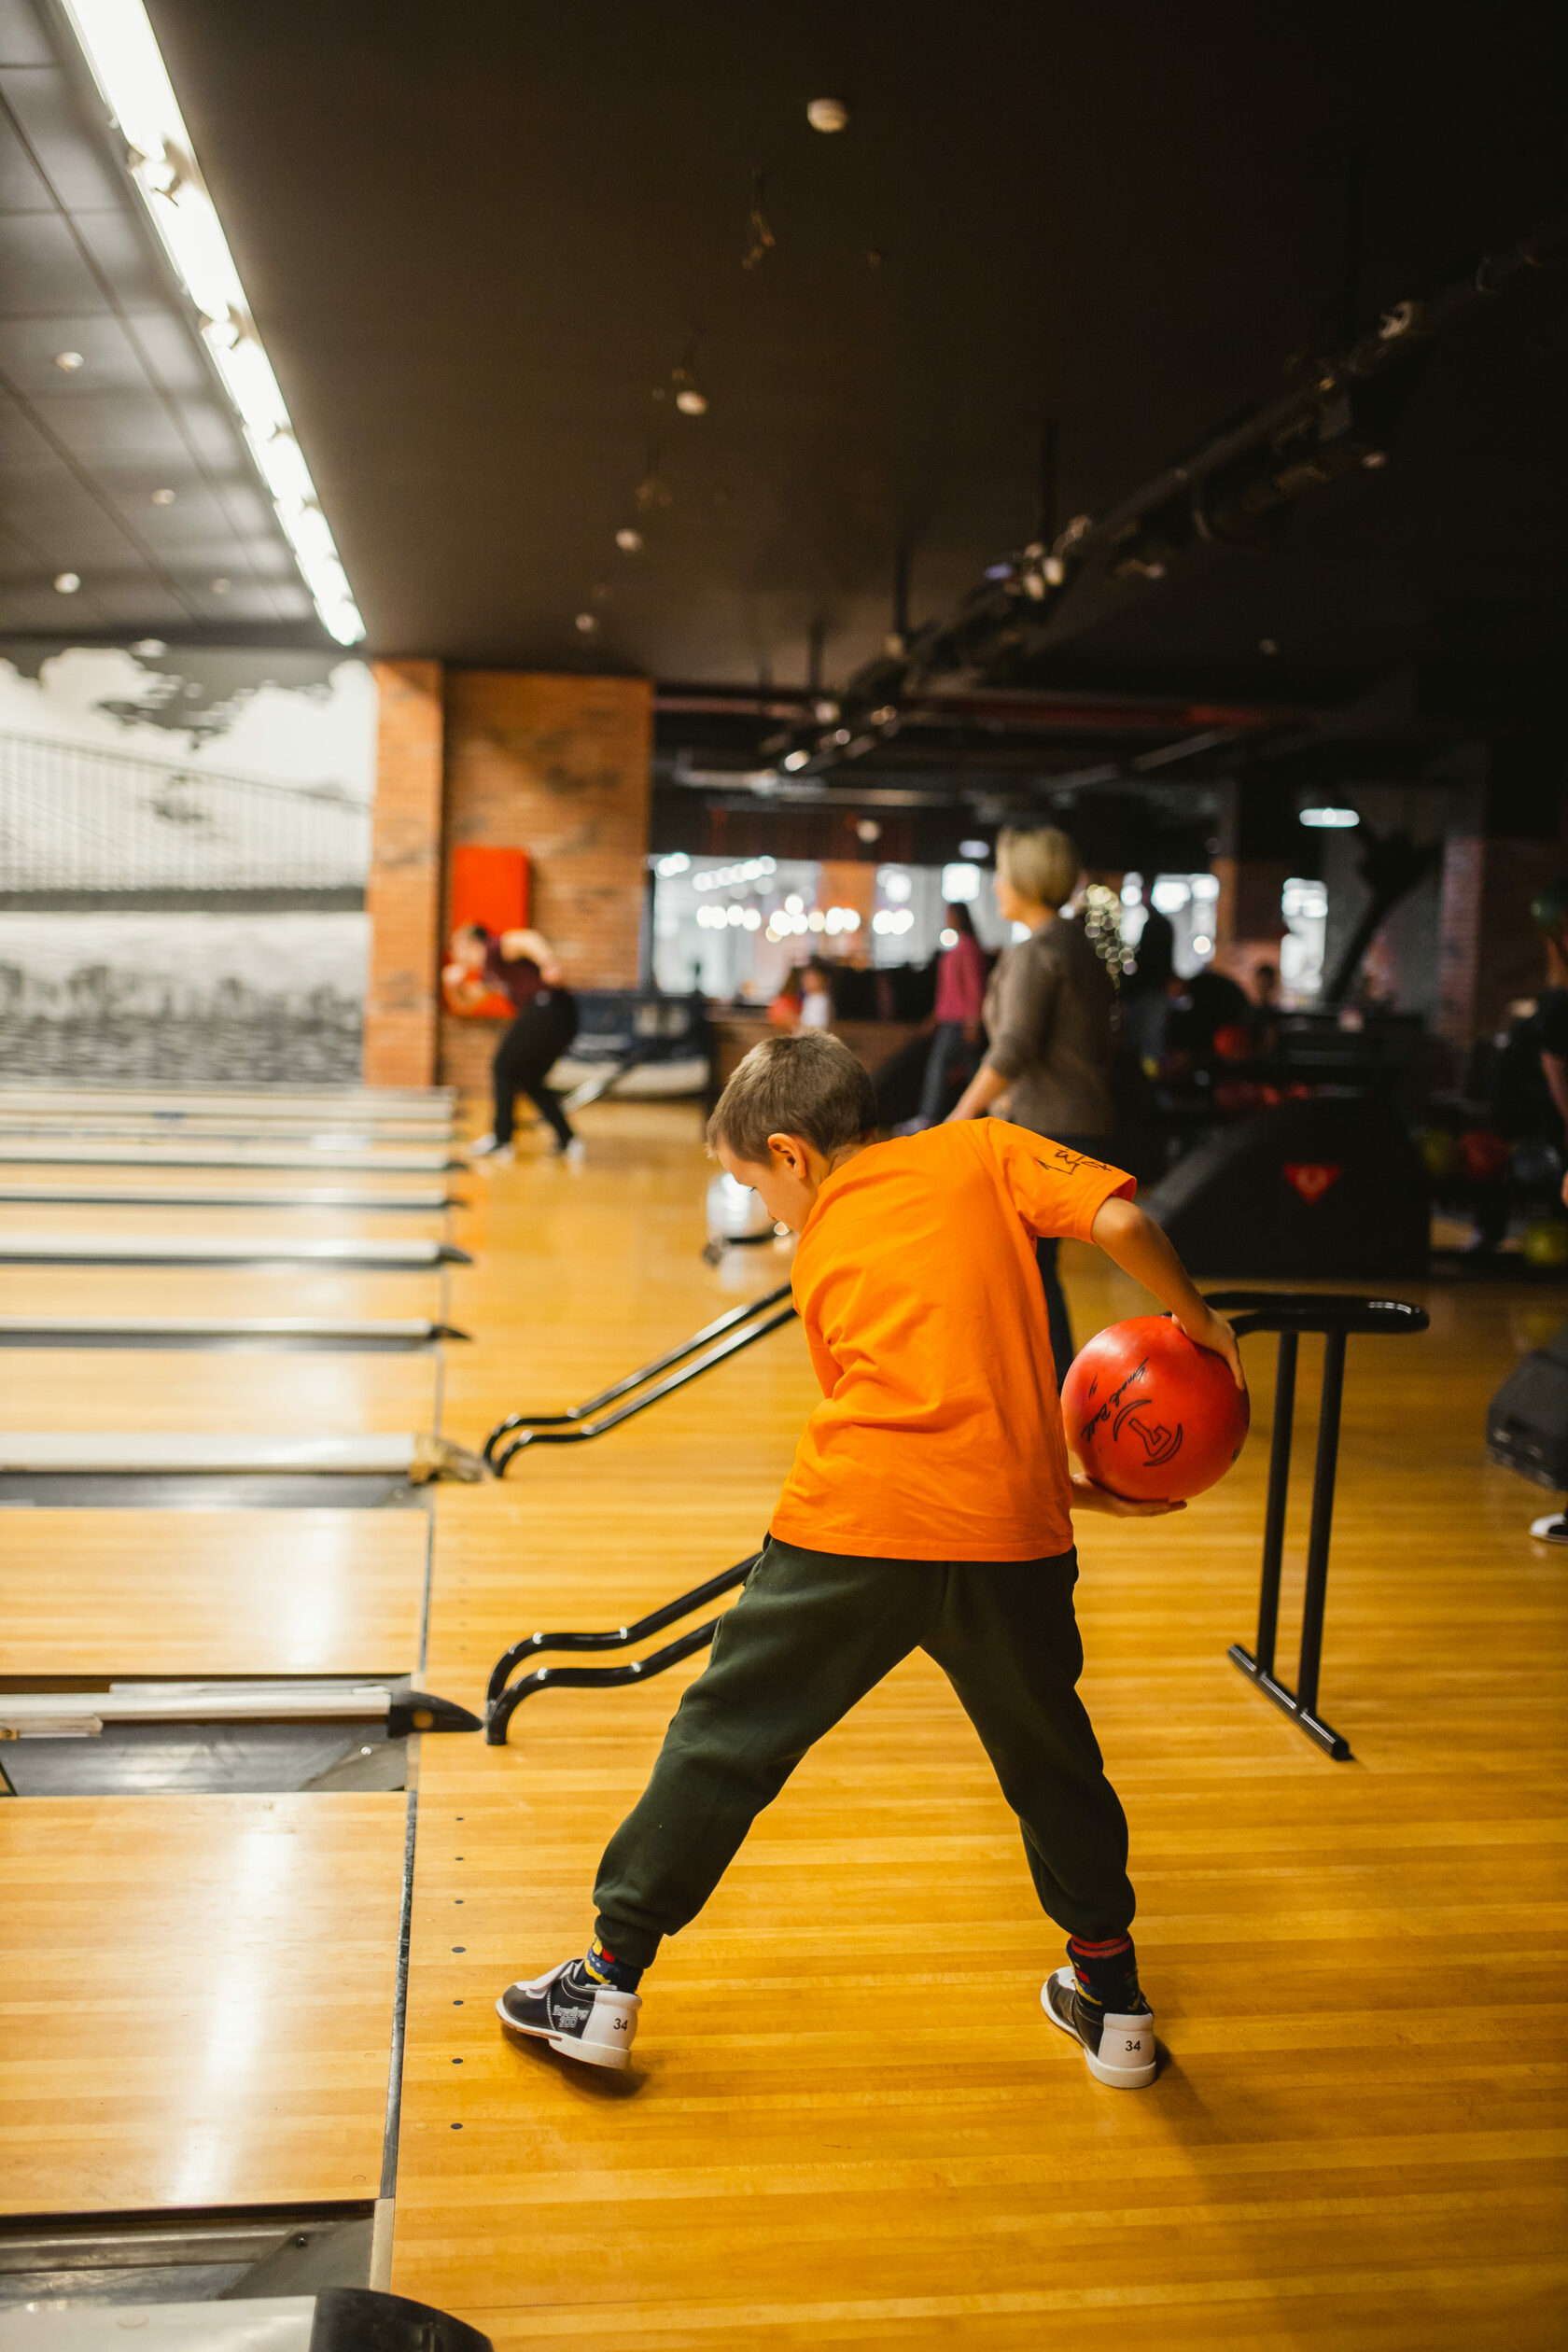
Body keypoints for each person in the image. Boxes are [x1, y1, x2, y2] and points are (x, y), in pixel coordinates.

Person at [496, 1030, 1244, 2083]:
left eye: (754, 1185)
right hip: (1014, 1539)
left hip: (855, 1528)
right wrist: (1193, 1319)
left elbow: (892, 1402)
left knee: (727, 1740)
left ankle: (604, 1985)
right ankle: (1114, 2004)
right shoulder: (982, 1149)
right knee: (1052, 1763)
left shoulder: (821, 1248)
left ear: (793, 1156)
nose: (766, 1209)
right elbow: (1118, 1218)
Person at [945, 825, 1116, 1384]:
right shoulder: (1075, 943)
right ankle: (1048, 1386)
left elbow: (1014, 1047)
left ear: (1025, 879)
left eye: (1001, 874)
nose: (995, 886)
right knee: (1033, 1272)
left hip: (1049, 1128)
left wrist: (959, 1115)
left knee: (1027, 1272)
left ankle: (1052, 1390)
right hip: (1076, 1123)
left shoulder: (1041, 950)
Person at [443, 921, 581, 1165]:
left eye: (457, 947)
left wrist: (549, 963)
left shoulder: (495, 949)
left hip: (547, 1007)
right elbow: (467, 1005)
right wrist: (452, 988)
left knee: (502, 1067)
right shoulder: (489, 973)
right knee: (529, 1080)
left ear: (470, 943)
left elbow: (526, 938)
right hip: (559, 1018)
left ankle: (501, 1139)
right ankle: (567, 1138)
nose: (456, 954)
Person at [917, 900, 987, 1125]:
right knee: (972, 1070)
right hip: (950, 1020)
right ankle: (980, 1113)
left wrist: (973, 1022)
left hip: (960, 1022)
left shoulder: (967, 947)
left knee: (940, 1068)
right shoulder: (959, 946)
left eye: (950, 915)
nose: (947, 919)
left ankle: (929, 1116)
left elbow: (974, 986)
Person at [799, 959, 833, 1030]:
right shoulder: (810, 997)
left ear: (826, 980)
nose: (806, 981)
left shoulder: (821, 1000)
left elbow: (816, 1029)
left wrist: (791, 1021)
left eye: (812, 978)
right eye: (805, 977)